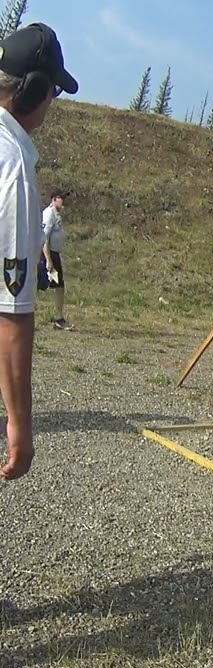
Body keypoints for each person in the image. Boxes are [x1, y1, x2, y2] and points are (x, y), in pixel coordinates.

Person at [0, 23, 77, 481]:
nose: (52, 103)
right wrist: (20, 425)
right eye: (52, 92)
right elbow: (11, 312)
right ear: (34, 90)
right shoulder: (12, 166)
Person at [38, 188, 70, 330]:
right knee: (51, 284)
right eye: (60, 198)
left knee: (57, 285)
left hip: (54, 254)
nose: (63, 201)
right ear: (54, 199)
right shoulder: (49, 214)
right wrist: (49, 260)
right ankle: (58, 318)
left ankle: (59, 317)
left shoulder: (56, 215)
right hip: (49, 254)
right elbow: (44, 239)